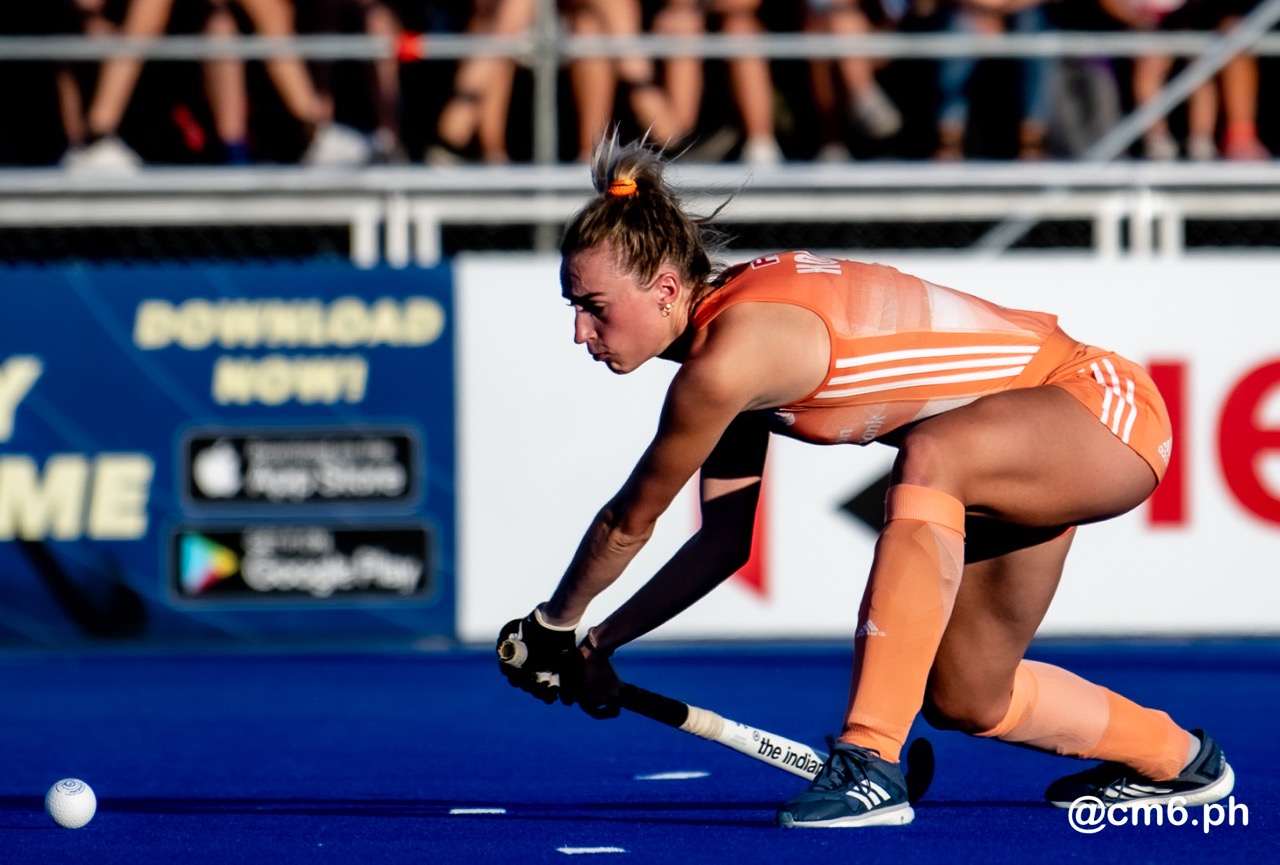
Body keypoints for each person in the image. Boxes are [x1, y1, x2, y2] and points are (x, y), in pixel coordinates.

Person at [496, 132, 1236, 828]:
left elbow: (630, 521)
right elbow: (722, 543)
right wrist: (601, 642)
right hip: (1024, 448)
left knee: (932, 456)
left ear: (663, 289)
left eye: (594, 309)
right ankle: (1180, 759)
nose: (580, 333)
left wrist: (552, 625)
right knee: (970, 695)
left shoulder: (726, 362)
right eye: (574, 310)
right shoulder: (725, 355)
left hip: (1099, 407)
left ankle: (869, 761)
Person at [1098, 0, 1271, 161]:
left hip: (1187, 22)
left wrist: (1186, 24)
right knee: (1150, 63)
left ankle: (1202, 142)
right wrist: (1140, 22)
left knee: (1200, 65)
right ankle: (1157, 142)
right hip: (1144, 24)